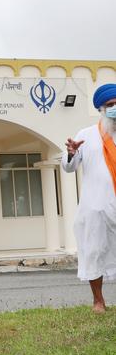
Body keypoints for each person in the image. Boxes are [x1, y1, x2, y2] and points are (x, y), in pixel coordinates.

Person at [62, 83, 116, 313]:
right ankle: (98, 301)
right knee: (94, 251)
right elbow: (68, 167)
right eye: (111, 105)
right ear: (101, 109)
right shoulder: (86, 135)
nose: (114, 108)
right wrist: (71, 153)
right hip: (96, 206)